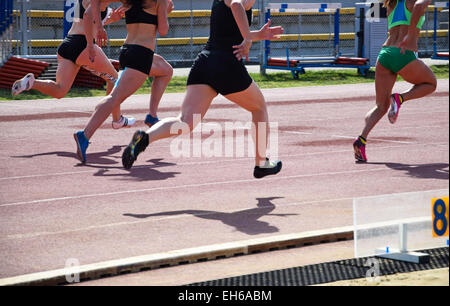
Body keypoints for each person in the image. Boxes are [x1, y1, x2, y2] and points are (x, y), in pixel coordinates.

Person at [121, 0, 284, 179]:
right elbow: (237, 5)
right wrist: (247, 39)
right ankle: (261, 163)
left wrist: (255, 35)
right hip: (225, 63)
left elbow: (227, 30)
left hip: (205, 62)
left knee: (184, 122)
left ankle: (144, 139)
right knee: (259, 107)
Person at [73, 0, 173, 163]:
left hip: (128, 51)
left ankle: (152, 116)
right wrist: (165, 11)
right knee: (114, 98)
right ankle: (84, 135)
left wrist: (99, 27)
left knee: (166, 70)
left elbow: (96, 2)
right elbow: (163, 30)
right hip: (141, 55)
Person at [12, 0, 136, 129]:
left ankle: (31, 82)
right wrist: (90, 45)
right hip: (83, 44)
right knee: (115, 79)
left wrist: (111, 19)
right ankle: (117, 120)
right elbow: (89, 16)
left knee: (60, 90)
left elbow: (89, 20)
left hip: (68, 44)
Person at [353, 0, 437, 162]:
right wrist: (411, 36)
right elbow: (420, 6)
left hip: (385, 54)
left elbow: (373, 10)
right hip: (403, 52)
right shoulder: (412, 2)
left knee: (380, 106)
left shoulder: (390, 3)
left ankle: (361, 139)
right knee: (431, 84)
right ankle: (400, 98)